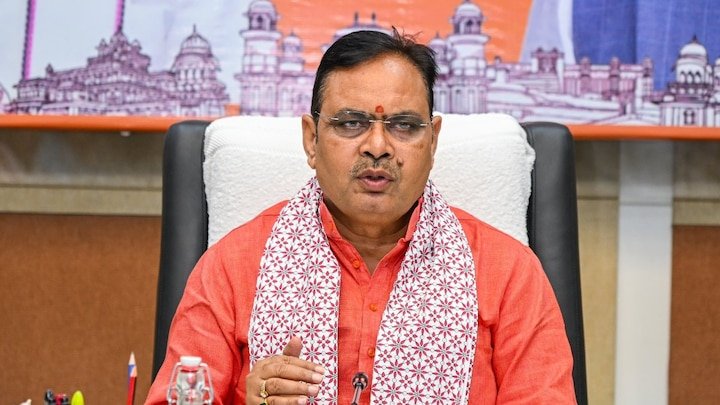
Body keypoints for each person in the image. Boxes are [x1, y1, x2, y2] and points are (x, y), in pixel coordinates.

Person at [146, 29, 576, 405]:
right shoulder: (233, 267)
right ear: (311, 140)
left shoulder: (509, 274)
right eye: (351, 123)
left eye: (404, 125)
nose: (377, 146)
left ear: (432, 142)